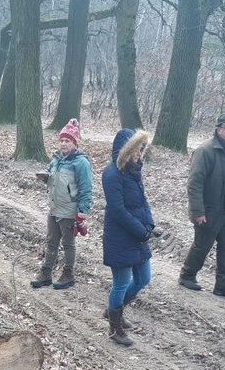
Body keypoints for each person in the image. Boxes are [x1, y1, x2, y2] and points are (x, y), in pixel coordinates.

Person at [179, 113, 225, 300]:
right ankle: (187, 275)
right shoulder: (205, 151)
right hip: (210, 209)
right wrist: (197, 211)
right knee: (202, 246)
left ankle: (223, 286)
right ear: (218, 129)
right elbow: (195, 183)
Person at [101, 129, 155, 347]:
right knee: (121, 283)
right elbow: (118, 210)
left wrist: (149, 223)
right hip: (120, 237)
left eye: (142, 149)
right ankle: (115, 329)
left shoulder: (134, 171)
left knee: (143, 278)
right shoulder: (112, 174)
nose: (139, 154)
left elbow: (142, 202)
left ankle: (115, 310)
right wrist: (140, 230)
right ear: (125, 150)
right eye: (136, 149)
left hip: (137, 235)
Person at [29, 119, 93, 290]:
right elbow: (53, 177)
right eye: (62, 140)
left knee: (68, 244)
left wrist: (82, 211)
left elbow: (86, 189)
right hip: (54, 208)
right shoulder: (56, 159)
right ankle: (46, 273)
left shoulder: (81, 163)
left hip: (69, 211)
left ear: (74, 143)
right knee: (51, 241)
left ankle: (68, 274)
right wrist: (46, 177)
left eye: (68, 140)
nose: (64, 144)